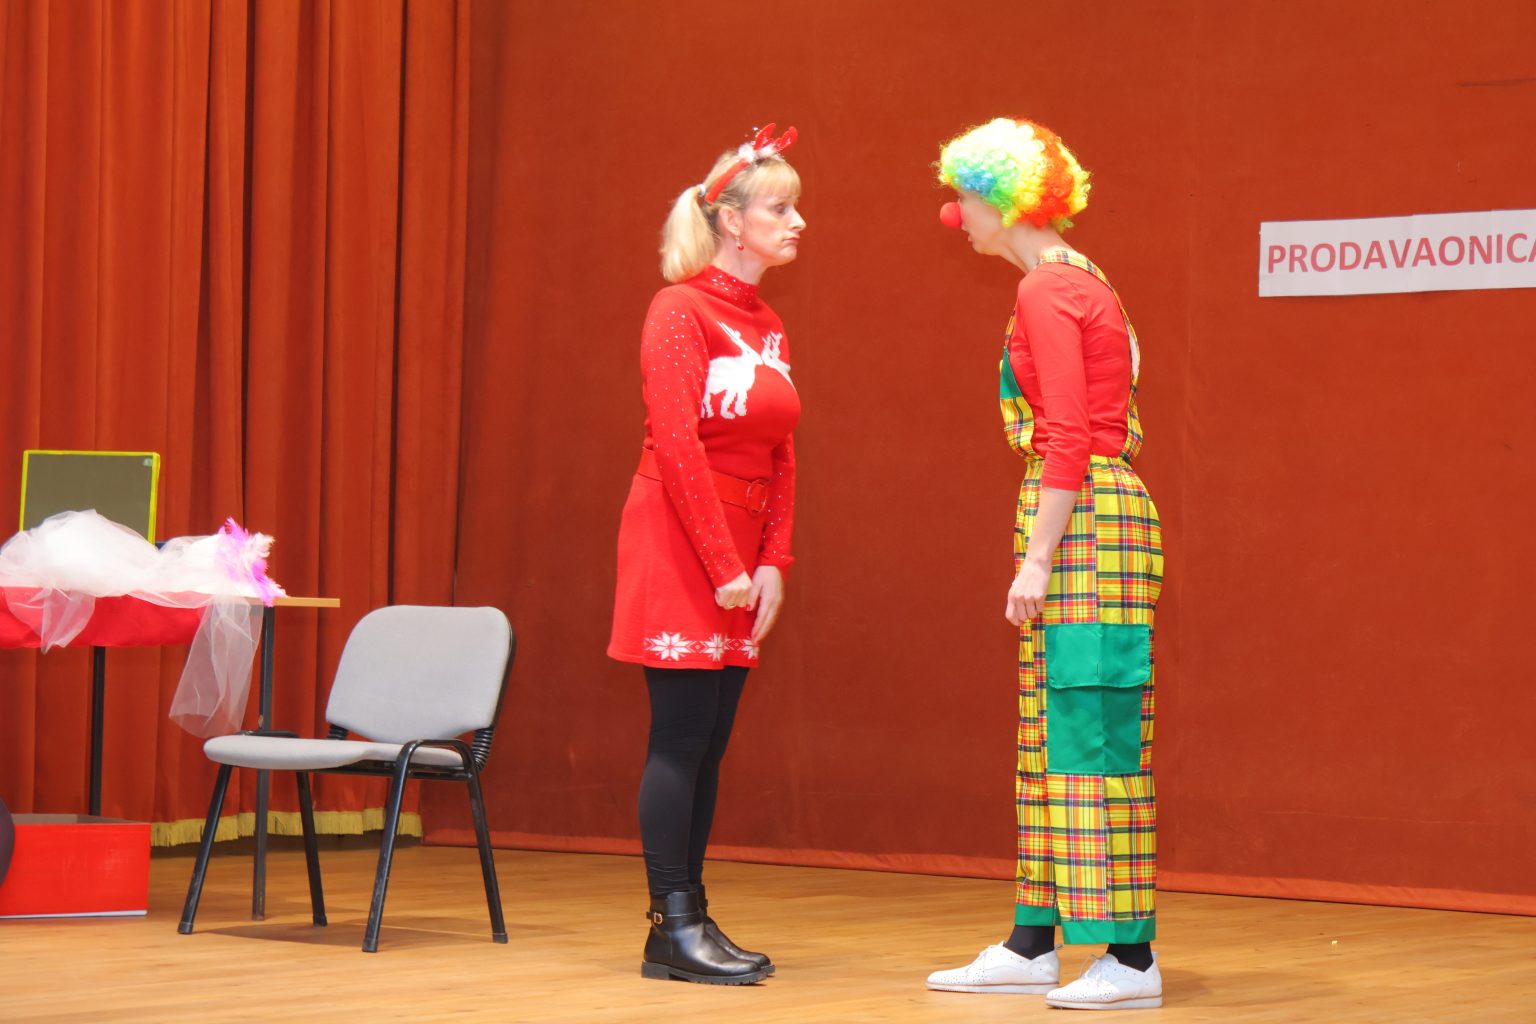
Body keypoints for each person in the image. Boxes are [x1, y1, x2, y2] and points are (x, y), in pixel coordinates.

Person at [924, 118, 1166, 1010]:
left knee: (1091, 734)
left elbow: (1067, 434)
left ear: (1003, 199)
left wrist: (1036, 558)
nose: (957, 216)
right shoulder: (1080, 279)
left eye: (964, 198)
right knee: (1049, 733)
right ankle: (1034, 940)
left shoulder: (1048, 288)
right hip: (1085, 520)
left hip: (1087, 527)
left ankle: (1131, 957)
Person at [608, 124, 805, 985]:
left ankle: (691, 915)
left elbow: (781, 451)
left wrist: (772, 562)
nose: (797, 222)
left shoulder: (767, 322)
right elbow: (677, 444)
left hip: (738, 550)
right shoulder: (678, 309)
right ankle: (672, 921)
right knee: (681, 735)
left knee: (711, 740)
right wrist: (724, 565)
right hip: (681, 541)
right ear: (731, 220)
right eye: (780, 209)